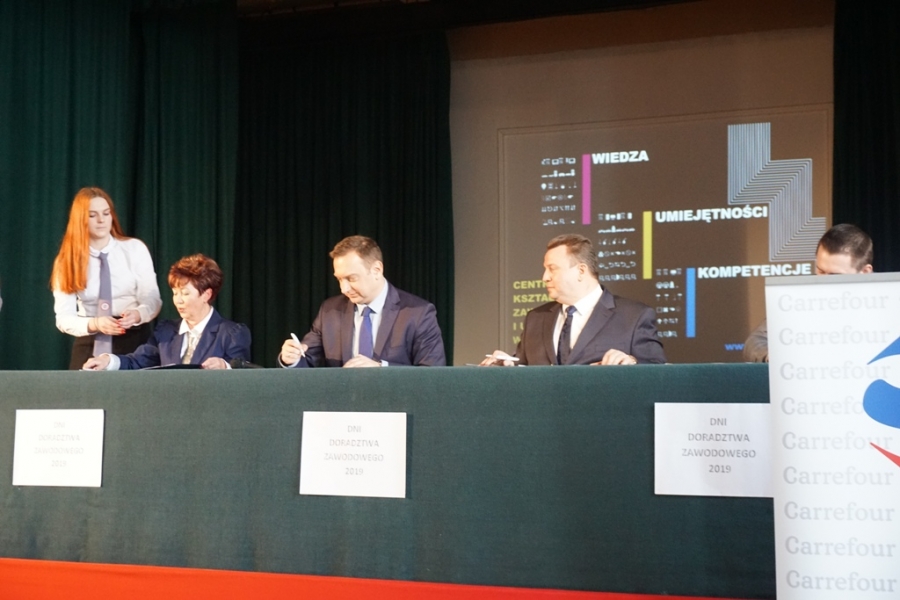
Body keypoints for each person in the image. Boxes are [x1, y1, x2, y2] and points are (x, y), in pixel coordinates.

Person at [483, 233, 666, 366]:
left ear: (581, 271)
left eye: (552, 269)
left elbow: (657, 371)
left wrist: (631, 362)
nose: (545, 277)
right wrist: (504, 366)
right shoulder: (536, 318)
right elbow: (522, 367)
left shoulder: (634, 316)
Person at [279, 235, 446, 368]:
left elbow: (432, 373)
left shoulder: (418, 313)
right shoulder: (329, 311)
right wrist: (291, 358)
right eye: (339, 279)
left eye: (351, 278)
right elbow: (306, 361)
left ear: (377, 270)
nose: (344, 289)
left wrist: (382, 369)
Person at [51, 187, 162, 369]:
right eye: (92, 215)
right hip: (90, 339)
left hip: (133, 338)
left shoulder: (135, 249)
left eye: (106, 213)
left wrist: (137, 314)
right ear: (80, 220)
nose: (101, 220)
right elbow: (64, 318)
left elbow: (152, 299)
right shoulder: (66, 261)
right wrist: (95, 323)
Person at [83, 254, 250, 370]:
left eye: (185, 294)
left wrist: (225, 366)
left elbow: (243, 375)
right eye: (175, 293)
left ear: (206, 295)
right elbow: (138, 361)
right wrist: (108, 361)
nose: (178, 300)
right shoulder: (166, 331)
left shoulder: (232, 333)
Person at [743, 223, 874, 362]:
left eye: (835, 275)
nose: (824, 281)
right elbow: (755, 342)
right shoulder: (799, 299)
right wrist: (774, 357)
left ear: (865, 272)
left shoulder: (886, 303)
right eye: (820, 271)